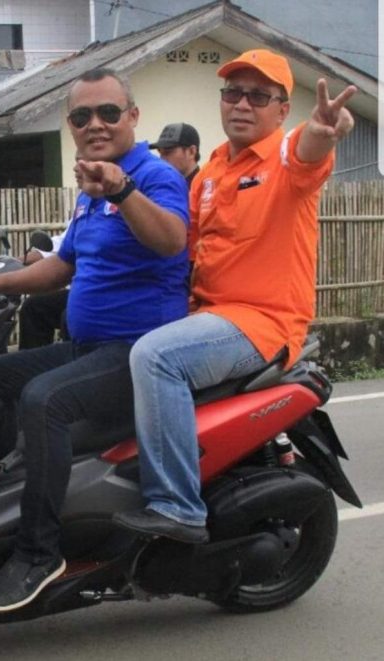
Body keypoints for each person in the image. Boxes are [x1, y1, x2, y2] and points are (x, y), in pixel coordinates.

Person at [113, 49, 357, 544]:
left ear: (282, 110)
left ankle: (177, 507)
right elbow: (179, 250)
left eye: (258, 96)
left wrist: (323, 129)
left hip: (262, 324)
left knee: (156, 357)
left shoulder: (286, 158)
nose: (242, 104)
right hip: (210, 319)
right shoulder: (210, 173)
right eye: (233, 92)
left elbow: (309, 151)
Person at [0, 67, 190, 612]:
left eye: (108, 112)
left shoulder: (154, 177)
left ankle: (39, 553)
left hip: (137, 353)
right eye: (81, 116)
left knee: (45, 401)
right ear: (71, 125)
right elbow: (61, 266)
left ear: (133, 118)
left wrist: (123, 188)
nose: (95, 123)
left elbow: (170, 241)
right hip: (86, 346)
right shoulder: (91, 187)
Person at [18, 226, 71, 349]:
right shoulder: (84, 211)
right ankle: (32, 365)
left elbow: (61, 257)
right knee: (33, 306)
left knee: (71, 315)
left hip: (109, 292)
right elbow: (61, 245)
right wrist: (14, 262)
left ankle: (74, 362)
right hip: (80, 290)